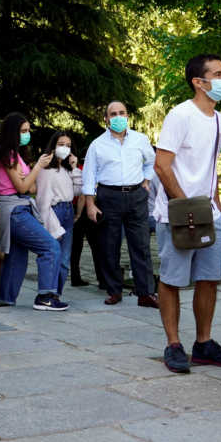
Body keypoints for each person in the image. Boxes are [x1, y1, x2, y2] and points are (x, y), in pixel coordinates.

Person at [152, 55, 221, 373]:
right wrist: (185, 207)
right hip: (177, 213)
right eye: (217, 73)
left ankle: (203, 344)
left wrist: (215, 205)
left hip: (208, 213)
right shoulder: (181, 115)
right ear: (198, 82)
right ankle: (173, 345)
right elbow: (161, 165)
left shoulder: (220, 119)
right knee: (173, 279)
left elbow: (212, 167)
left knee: (209, 279)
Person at [81, 101, 159, 308]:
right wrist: (90, 204)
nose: (118, 117)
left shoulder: (141, 140)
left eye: (122, 113)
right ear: (106, 119)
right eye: (113, 114)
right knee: (109, 246)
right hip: (109, 197)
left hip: (136, 196)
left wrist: (146, 180)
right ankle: (114, 290)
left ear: (127, 116)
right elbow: (88, 176)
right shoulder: (97, 145)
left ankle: (146, 293)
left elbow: (152, 161)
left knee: (141, 245)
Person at [0, 113, 67, 311]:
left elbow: (30, 188)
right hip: (15, 210)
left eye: (28, 131)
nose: (27, 135)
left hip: (19, 208)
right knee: (50, 247)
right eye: (23, 131)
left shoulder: (17, 156)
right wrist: (38, 168)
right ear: (12, 133)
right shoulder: (8, 155)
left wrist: (29, 176)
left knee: (16, 256)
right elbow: (24, 187)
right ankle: (46, 296)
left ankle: (6, 299)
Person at [34, 132, 81, 298]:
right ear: (53, 146)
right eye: (61, 144)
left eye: (68, 145)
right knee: (53, 254)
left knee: (65, 259)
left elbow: (77, 190)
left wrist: (75, 168)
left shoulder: (67, 169)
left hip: (68, 210)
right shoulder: (46, 170)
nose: (65, 148)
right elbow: (42, 201)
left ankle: (56, 294)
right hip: (55, 212)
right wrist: (52, 225)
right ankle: (49, 292)